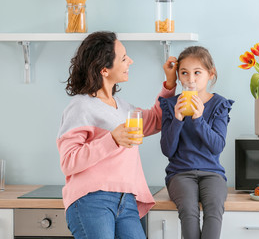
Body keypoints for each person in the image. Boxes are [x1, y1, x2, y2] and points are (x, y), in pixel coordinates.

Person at [56, 31, 176, 239]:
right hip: (91, 201)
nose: (130, 61)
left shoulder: (122, 108)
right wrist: (111, 140)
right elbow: (68, 161)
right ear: (104, 70)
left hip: (126, 201)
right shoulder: (80, 106)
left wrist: (169, 84)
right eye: (123, 58)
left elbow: (157, 120)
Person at [159, 46, 234, 239]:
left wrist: (199, 119)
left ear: (210, 74)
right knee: (189, 212)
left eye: (197, 72)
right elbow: (168, 150)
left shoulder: (219, 105)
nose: (190, 79)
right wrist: (177, 119)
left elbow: (217, 146)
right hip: (180, 174)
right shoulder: (170, 105)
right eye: (184, 73)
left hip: (212, 173)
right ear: (178, 75)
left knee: (215, 209)